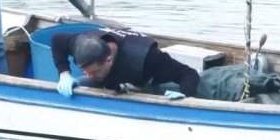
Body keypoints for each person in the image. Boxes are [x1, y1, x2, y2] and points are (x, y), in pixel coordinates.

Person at [51, 28, 200, 99]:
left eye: (95, 71)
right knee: (74, 87)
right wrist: (64, 73)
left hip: (144, 81)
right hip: (112, 80)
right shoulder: (81, 42)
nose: (89, 75)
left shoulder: (149, 57)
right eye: (85, 70)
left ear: (109, 59)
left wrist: (185, 94)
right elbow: (56, 40)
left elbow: (188, 73)